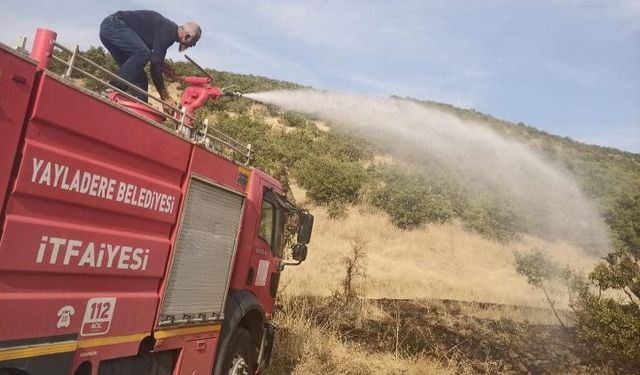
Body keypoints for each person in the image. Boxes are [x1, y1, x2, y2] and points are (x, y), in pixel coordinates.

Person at [99, 10, 201, 113]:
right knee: (143, 53)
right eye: (195, 41)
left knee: (140, 77)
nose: (193, 45)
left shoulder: (167, 31)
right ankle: (112, 89)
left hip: (109, 31)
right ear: (187, 36)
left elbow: (155, 60)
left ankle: (139, 113)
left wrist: (163, 65)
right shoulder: (168, 30)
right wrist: (165, 98)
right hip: (114, 25)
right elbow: (154, 66)